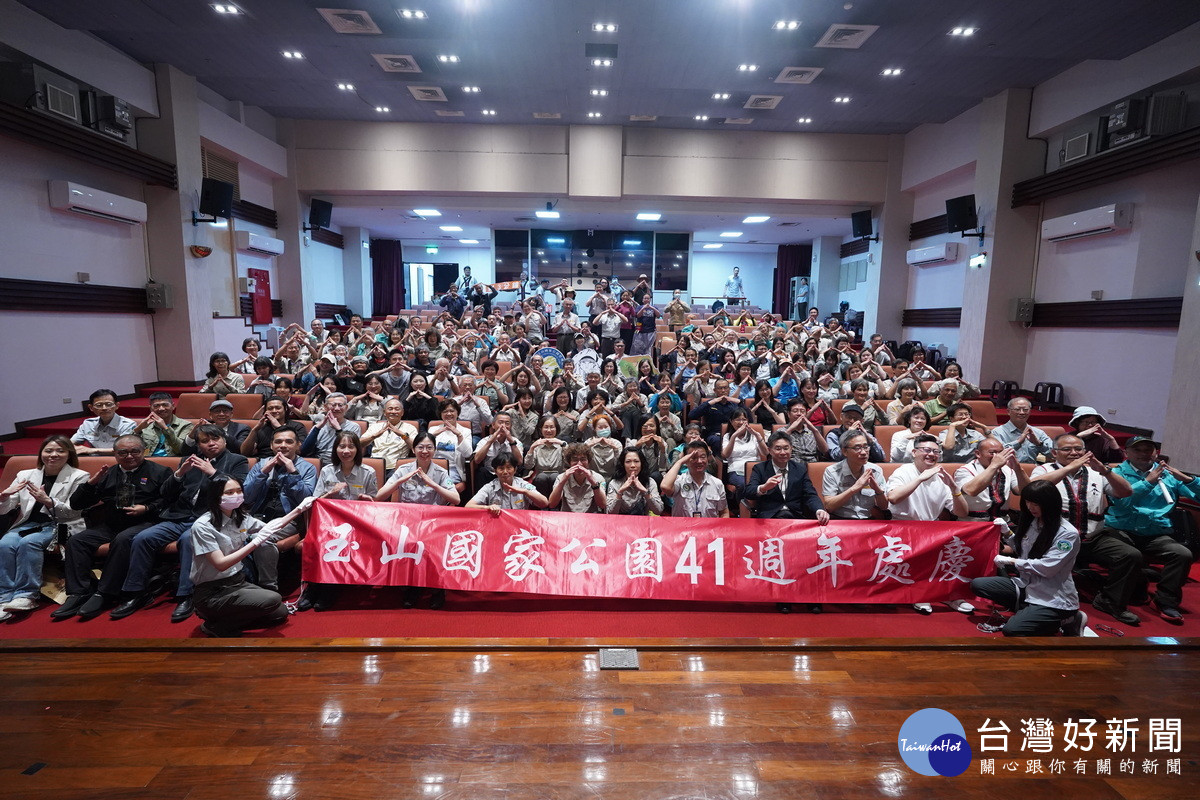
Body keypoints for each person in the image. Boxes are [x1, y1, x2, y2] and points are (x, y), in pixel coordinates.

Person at [109, 424, 249, 623]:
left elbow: (240, 491)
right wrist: (179, 474)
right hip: (177, 516)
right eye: (204, 441)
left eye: (215, 439)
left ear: (224, 441)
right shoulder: (188, 461)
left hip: (209, 518)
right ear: (198, 445)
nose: (210, 443)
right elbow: (165, 493)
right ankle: (135, 592)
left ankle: (186, 595)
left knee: (187, 540)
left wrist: (213, 473)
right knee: (142, 538)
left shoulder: (237, 460)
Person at [52, 434, 173, 621]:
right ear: (115, 454)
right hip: (111, 524)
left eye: (135, 451)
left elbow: (170, 500)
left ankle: (105, 592)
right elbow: (76, 504)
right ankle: (78, 593)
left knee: (123, 539)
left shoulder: (160, 472)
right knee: (77, 541)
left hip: (146, 522)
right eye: (123, 452)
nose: (129, 456)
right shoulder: (108, 473)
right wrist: (92, 483)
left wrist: (147, 508)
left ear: (144, 451)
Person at [1029, 434, 1135, 624]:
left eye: (1078, 449)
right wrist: (1070, 467)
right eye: (1067, 449)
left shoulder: (1096, 473)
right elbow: (1034, 488)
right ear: (1054, 453)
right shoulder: (1043, 469)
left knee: (1129, 555)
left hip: (1093, 537)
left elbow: (1126, 492)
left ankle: (1109, 601)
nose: (1074, 453)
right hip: (1056, 539)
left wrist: (1105, 471)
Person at [190, 474, 311, 637]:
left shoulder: (240, 516)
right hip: (213, 590)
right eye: (229, 492)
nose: (236, 495)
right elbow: (221, 564)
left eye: (239, 491)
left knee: (279, 613)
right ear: (216, 496)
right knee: (273, 599)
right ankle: (217, 625)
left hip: (237, 581)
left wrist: (299, 509)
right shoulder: (203, 526)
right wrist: (255, 542)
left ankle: (226, 616)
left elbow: (272, 527)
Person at [1097, 436, 1196, 624]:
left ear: (1156, 453)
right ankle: (1111, 600)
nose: (1144, 454)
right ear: (1127, 453)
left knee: (1182, 554)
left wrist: (1188, 480)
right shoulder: (1116, 473)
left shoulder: (1168, 475)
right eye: (1138, 450)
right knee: (1131, 555)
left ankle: (1166, 601)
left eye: (1148, 450)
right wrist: (1148, 482)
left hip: (1154, 533)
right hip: (1120, 529)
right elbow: (1124, 502)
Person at [970, 481, 1087, 637]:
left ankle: (1069, 619)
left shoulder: (1067, 534)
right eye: (1027, 502)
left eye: (1036, 503)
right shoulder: (1034, 522)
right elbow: (1023, 550)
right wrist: (1007, 533)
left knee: (1012, 630)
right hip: (1027, 585)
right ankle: (1029, 611)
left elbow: (1047, 568)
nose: (1031, 507)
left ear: (1050, 504)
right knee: (978, 584)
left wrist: (1010, 561)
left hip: (1053, 597)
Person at [0, 436, 89, 619]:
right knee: (4, 543)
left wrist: (47, 501)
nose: (53, 455)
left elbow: (73, 513)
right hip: (28, 524)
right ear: (41, 453)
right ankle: (4, 596)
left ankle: (26, 595)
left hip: (58, 525)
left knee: (29, 543)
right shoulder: (25, 475)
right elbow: (7, 509)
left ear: (69, 454)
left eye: (60, 451)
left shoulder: (79, 476)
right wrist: (4, 497)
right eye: (48, 450)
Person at [886, 433, 971, 615]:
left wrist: (955, 489)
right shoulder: (903, 471)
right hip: (903, 529)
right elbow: (892, 497)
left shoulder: (941, 476)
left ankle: (950, 595)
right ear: (914, 452)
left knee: (956, 548)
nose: (931, 454)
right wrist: (920, 479)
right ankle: (921, 594)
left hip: (931, 530)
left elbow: (962, 512)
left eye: (935, 451)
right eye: (926, 450)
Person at [242, 427, 317, 594]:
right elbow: (246, 497)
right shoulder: (261, 464)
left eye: (289, 442)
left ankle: (268, 588)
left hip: (288, 520)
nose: (283, 445)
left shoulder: (307, 468)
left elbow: (306, 501)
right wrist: (264, 472)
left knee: (260, 539)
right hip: (256, 516)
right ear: (271, 445)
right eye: (278, 442)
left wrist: (293, 472)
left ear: (298, 446)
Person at [747, 432, 830, 522]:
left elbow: (810, 494)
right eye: (778, 449)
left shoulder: (800, 469)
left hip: (795, 515)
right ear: (770, 450)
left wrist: (819, 509)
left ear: (791, 449)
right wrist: (763, 488)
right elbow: (749, 492)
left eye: (786, 448)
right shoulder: (760, 468)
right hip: (770, 517)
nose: (783, 452)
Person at [955, 438, 1028, 520]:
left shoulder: (1007, 470)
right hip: (973, 522)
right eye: (992, 453)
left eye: (1000, 452)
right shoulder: (964, 470)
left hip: (1003, 522)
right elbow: (971, 491)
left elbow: (1025, 491)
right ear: (978, 454)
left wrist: (1018, 468)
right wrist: (994, 465)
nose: (998, 457)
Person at [822, 431, 888, 521]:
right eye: (857, 448)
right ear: (845, 451)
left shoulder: (875, 470)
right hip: (840, 520)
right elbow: (829, 506)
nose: (864, 452)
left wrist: (877, 490)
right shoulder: (832, 471)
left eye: (866, 447)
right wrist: (854, 489)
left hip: (867, 520)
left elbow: (884, 507)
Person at [662, 441, 728, 518]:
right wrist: (679, 462)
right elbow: (665, 486)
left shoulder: (717, 483)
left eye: (703, 457)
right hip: (683, 528)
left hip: (708, 528)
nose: (699, 461)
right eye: (693, 458)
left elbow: (724, 512)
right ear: (686, 460)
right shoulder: (679, 481)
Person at [466, 453, 549, 514]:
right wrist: (487, 507)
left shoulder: (523, 485)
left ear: (515, 469)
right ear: (495, 471)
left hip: (520, 525)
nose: (505, 472)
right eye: (501, 468)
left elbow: (544, 503)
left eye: (509, 468)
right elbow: (468, 506)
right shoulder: (489, 487)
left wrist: (525, 492)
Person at [300, 392, 361, 465]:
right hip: (319, 463)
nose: (337, 408)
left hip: (342, 463)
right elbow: (304, 451)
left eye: (340, 405)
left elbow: (349, 452)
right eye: (333, 405)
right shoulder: (318, 427)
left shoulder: (354, 427)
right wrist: (317, 429)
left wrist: (338, 429)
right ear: (325, 407)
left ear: (346, 408)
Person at [70, 388, 137, 455]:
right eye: (99, 405)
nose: (104, 408)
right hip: (93, 461)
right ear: (91, 408)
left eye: (108, 404)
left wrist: (92, 450)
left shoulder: (128, 425)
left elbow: (125, 450)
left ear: (116, 406)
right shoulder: (88, 424)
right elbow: (70, 443)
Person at [240, 396, 307, 459]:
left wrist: (278, 427)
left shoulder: (297, 426)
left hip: (291, 461)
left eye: (278, 408)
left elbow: (299, 451)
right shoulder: (261, 428)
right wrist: (254, 430)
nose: (274, 411)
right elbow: (245, 453)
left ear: (285, 409)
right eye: (270, 408)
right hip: (264, 463)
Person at [547, 443, 606, 513]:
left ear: (588, 462)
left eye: (583, 459)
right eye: (575, 460)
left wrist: (593, 483)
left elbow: (603, 505)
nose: (579, 464)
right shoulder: (561, 477)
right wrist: (562, 482)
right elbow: (552, 504)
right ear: (569, 462)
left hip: (590, 519)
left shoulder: (598, 478)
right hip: (567, 518)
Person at [993, 397, 1053, 463]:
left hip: (1033, 470)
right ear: (1008, 412)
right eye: (1017, 409)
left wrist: (1038, 444)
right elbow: (998, 454)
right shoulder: (997, 432)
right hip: (1007, 470)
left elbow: (1055, 454)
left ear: (1030, 412)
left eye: (1025, 410)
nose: (1021, 412)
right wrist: (1018, 442)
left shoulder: (1037, 432)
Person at [606, 447, 664, 516]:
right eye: (628, 462)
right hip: (620, 522)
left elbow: (659, 511)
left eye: (636, 461)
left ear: (641, 463)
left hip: (642, 521)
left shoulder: (650, 482)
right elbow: (610, 513)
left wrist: (645, 492)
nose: (633, 465)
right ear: (623, 464)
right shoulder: (614, 483)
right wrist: (620, 492)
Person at [135, 392, 195, 457]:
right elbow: (129, 446)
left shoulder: (185, 426)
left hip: (172, 462)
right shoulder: (146, 425)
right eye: (156, 406)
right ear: (150, 408)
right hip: (148, 462)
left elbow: (182, 450)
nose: (161, 408)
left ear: (173, 406)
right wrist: (138, 429)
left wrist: (165, 428)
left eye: (165, 405)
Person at [185, 399, 249, 456]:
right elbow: (185, 452)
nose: (221, 414)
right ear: (210, 415)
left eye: (225, 411)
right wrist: (191, 436)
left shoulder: (242, 428)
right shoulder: (202, 428)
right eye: (217, 411)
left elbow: (241, 449)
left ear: (231, 414)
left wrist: (218, 431)